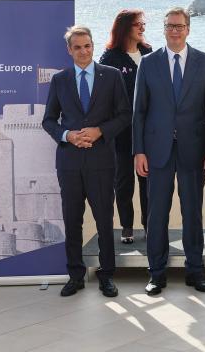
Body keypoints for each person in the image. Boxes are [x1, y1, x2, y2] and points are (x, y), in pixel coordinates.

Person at [133, 7, 205, 296]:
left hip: (193, 151)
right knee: (156, 214)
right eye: (170, 26)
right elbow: (139, 112)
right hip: (156, 151)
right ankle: (156, 273)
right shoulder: (148, 63)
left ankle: (195, 271)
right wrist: (139, 151)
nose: (175, 30)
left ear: (188, 29)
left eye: (180, 26)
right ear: (164, 28)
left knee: (192, 212)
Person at [42, 25, 130, 298]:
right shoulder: (60, 80)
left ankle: (106, 276)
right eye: (77, 47)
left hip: (102, 160)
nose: (83, 51)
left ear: (93, 46)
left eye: (87, 46)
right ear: (70, 51)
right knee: (72, 220)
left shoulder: (112, 76)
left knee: (105, 220)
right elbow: (48, 120)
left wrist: (100, 131)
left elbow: (125, 114)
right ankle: (75, 275)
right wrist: (67, 135)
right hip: (69, 162)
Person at [99, 9, 152, 244]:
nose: (142, 28)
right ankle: (127, 227)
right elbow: (103, 96)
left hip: (148, 130)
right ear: (124, 28)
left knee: (148, 180)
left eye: (143, 24)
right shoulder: (110, 58)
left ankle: (149, 226)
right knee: (123, 182)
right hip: (121, 132)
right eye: (137, 24)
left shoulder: (149, 53)